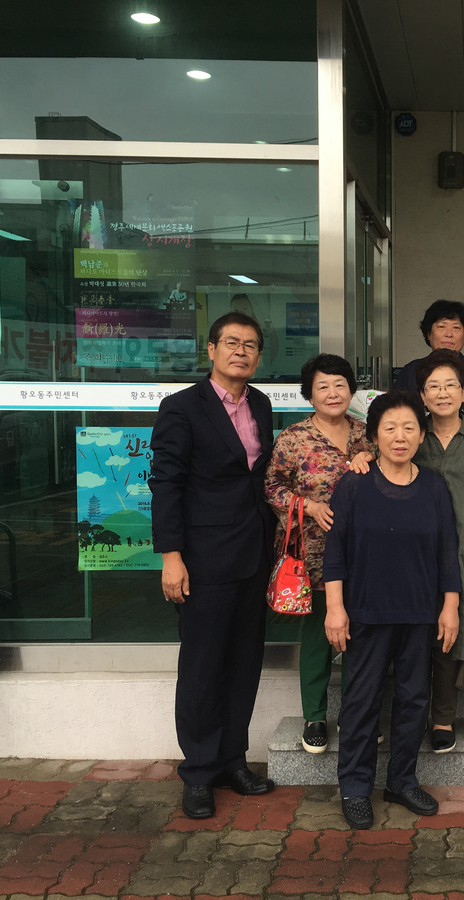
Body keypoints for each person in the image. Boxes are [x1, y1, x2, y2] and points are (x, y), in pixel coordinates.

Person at [150, 311, 277, 820]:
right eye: (231, 342)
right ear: (211, 349)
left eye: (250, 345)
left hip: (253, 555)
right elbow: (166, 483)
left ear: (259, 355)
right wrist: (171, 556)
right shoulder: (182, 407)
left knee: (244, 663)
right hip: (202, 559)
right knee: (203, 667)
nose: (241, 352)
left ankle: (232, 761)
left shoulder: (261, 404)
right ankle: (199, 772)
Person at [323, 391, 461, 829]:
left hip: (420, 613)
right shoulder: (354, 485)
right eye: (390, 428)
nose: (399, 437)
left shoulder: (433, 487)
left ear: (421, 435)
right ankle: (355, 787)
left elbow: (447, 551)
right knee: (361, 700)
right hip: (366, 612)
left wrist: (450, 607)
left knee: (413, 699)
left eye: (408, 428)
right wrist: (335, 608)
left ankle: (401, 781)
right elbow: (335, 552)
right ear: (374, 436)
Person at [264, 354, 373, 756]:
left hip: (365, 553)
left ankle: (355, 714)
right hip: (313, 552)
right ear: (309, 395)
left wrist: (372, 457)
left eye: (340, 384)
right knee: (318, 637)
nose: (332, 393)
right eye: (322, 386)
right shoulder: (293, 438)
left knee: (362, 637)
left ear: (351, 390)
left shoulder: (368, 434)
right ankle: (315, 716)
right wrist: (307, 506)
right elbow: (271, 486)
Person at [412, 349, 464, 752]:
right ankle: (411, 714)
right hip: (412, 552)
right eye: (433, 386)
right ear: (422, 396)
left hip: (461, 551)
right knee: (414, 633)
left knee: (451, 632)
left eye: (450, 385)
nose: (442, 393)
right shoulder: (412, 434)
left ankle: (443, 717)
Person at [393, 300, 464, 408]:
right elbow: (395, 408)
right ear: (429, 334)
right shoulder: (411, 371)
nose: (449, 334)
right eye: (441, 327)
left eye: (456, 328)